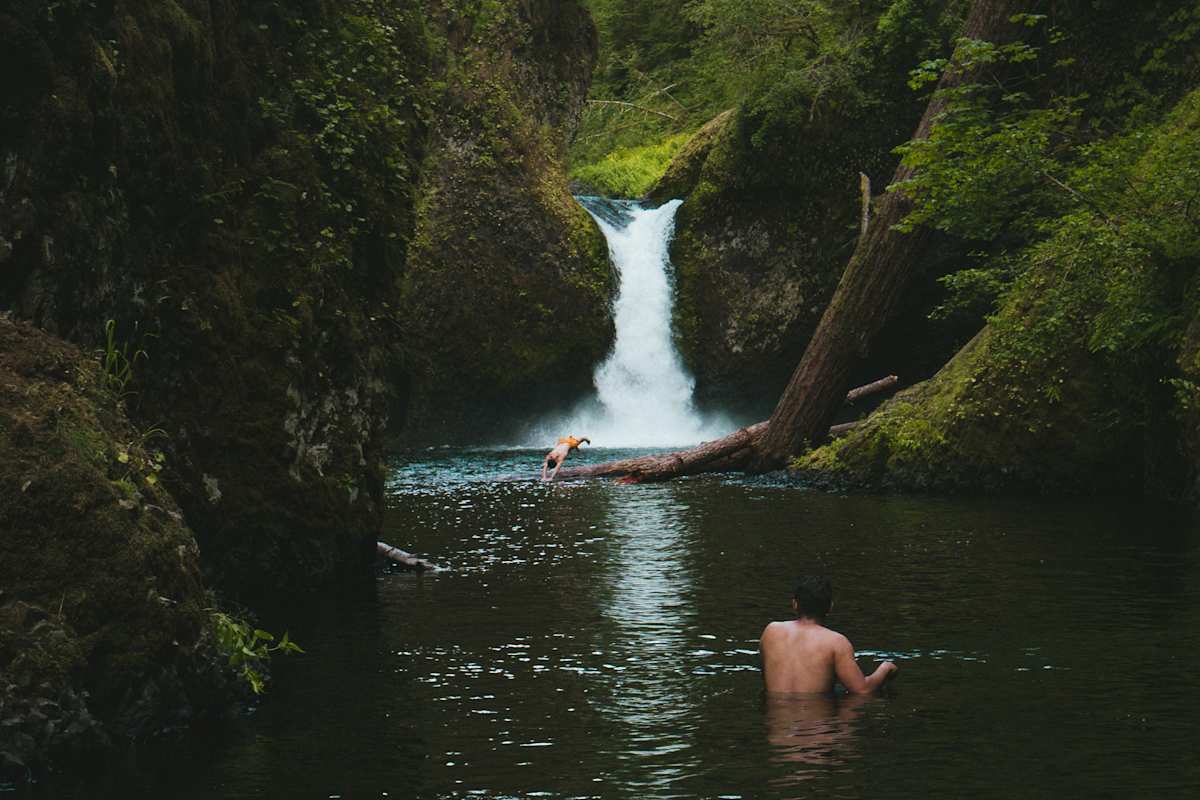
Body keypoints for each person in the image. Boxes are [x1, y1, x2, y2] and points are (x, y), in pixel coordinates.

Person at [760, 576, 898, 695]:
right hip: (819, 722)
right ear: (830, 607)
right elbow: (862, 690)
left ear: (794, 604)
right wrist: (885, 668)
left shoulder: (771, 631)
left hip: (777, 723)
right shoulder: (836, 642)